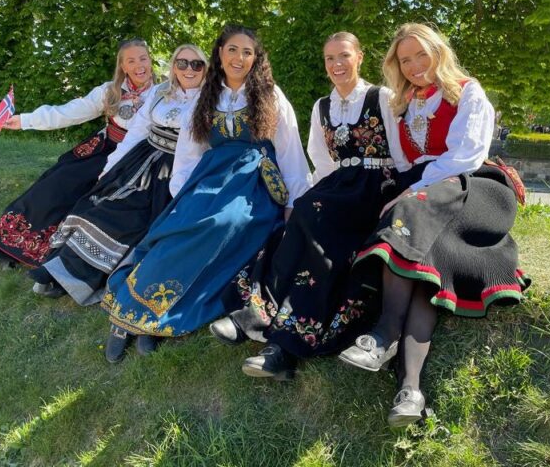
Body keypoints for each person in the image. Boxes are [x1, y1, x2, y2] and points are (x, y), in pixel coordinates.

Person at [337, 23, 528, 428]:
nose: (414, 65)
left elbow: (465, 158)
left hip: (474, 186)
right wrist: (403, 188)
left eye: (421, 55)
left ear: (439, 52)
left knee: (412, 213)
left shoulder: (467, 92)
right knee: (430, 260)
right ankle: (410, 390)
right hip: (429, 189)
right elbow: (407, 164)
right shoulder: (404, 102)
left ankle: (386, 332)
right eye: (405, 60)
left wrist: (411, 192)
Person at [100, 25, 311, 362]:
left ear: (256, 59)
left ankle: (157, 319)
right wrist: (182, 195)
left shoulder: (270, 95)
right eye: (232, 50)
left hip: (253, 184)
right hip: (209, 177)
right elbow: (188, 150)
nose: (239, 58)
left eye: (247, 52)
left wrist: (294, 204)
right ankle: (131, 314)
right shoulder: (206, 96)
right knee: (179, 228)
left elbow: (290, 153)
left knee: (225, 224)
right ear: (220, 53)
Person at [209, 32, 406, 380]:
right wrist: (311, 198)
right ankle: (259, 313)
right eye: (330, 59)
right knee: (300, 215)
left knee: (321, 240)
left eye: (344, 56)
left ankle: (282, 345)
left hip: (376, 187)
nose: (337, 65)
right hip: (338, 185)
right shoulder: (322, 107)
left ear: (359, 57)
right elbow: (322, 161)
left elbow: (402, 157)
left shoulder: (382, 97)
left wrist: (399, 199)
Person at [26, 44, 208, 303]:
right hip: (141, 157)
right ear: (173, 67)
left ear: (206, 68)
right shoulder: (160, 92)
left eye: (196, 64)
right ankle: (58, 268)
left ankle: (78, 279)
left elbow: (196, 149)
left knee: (127, 216)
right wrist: (111, 166)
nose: (188, 70)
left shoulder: (210, 101)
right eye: (182, 63)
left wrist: (179, 189)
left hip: (173, 170)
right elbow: (137, 131)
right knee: (97, 202)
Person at [0, 39, 155, 269]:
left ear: (151, 60)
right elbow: (70, 112)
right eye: (131, 60)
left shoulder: (163, 94)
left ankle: (43, 256)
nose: (139, 65)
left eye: (143, 58)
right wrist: (26, 120)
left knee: (92, 201)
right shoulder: (110, 90)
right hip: (102, 148)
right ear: (123, 66)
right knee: (56, 182)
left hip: (134, 159)